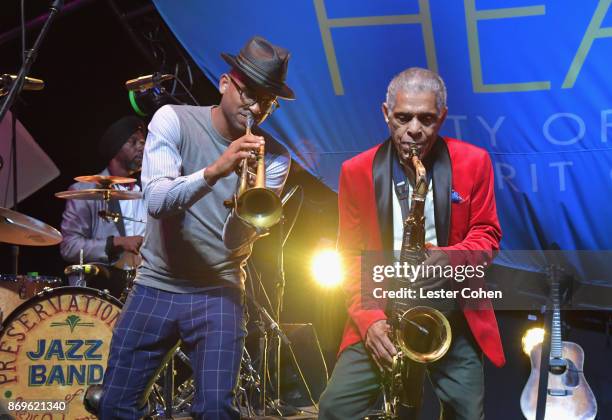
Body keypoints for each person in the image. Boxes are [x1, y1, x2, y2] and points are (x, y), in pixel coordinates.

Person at [98, 36, 294, 419]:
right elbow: (155, 203)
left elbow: (234, 244)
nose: (255, 107)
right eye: (248, 93)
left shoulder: (274, 159)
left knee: (216, 411)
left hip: (219, 290)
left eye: (266, 101)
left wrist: (244, 208)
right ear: (224, 83)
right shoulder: (173, 119)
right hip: (157, 283)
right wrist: (215, 170)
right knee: (115, 404)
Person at [318, 68, 505, 420]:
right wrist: (371, 320)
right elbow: (351, 257)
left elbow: (488, 236)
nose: (414, 130)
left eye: (427, 119)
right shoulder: (355, 171)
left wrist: (449, 259)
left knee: (468, 413)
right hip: (384, 310)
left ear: (443, 118)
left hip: (451, 313)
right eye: (403, 117)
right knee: (334, 408)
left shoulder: (474, 162)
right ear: (386, 113)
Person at [60, 116, 147, 298]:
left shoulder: (148, 191)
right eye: (133, 142)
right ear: (115, 147)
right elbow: (69, 246)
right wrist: (117, 242)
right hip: (100, 292)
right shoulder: (85, 191)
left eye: (143, 142)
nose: (141, 147)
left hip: (142, 288)